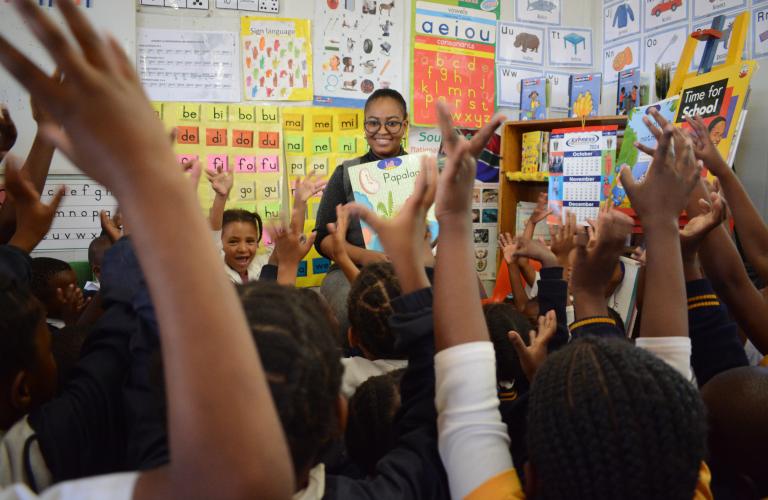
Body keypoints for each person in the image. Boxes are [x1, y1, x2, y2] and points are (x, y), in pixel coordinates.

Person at [0, 1, 292, 498]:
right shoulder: (61, 440)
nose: (242, 248)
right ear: (22, 388)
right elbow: (120, 347)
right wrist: (147, 194)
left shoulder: (29, 461)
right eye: (50, 347)